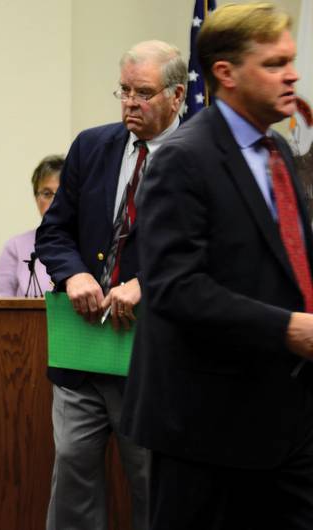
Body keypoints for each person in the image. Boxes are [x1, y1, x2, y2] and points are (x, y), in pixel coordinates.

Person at [121, 4, 313, 528]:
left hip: (284, 416)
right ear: (225, 74)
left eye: (291, 61)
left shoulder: (276, 151)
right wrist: (289, 329)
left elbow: (292, 268)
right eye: (274, 64)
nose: (292, 75)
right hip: (205, 426)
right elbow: (176, 288)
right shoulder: (183, 158)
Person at [35, 40, 187, 530]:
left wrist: (148, 283)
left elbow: (209, 250)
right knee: (73, 467)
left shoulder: (198, 157)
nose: (130, 104)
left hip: (152, 353)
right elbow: (54, 231)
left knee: (151, 480)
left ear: (177, 95)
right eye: (123, 91)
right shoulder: (92, 145)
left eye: (143, 93)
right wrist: (74, 272)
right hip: (83, 346)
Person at [0, 155, 64, 297]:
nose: (55, 201)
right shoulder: (15, 247)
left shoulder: (89, 244)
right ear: (36, 198)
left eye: (61, 193)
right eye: (47, 193)